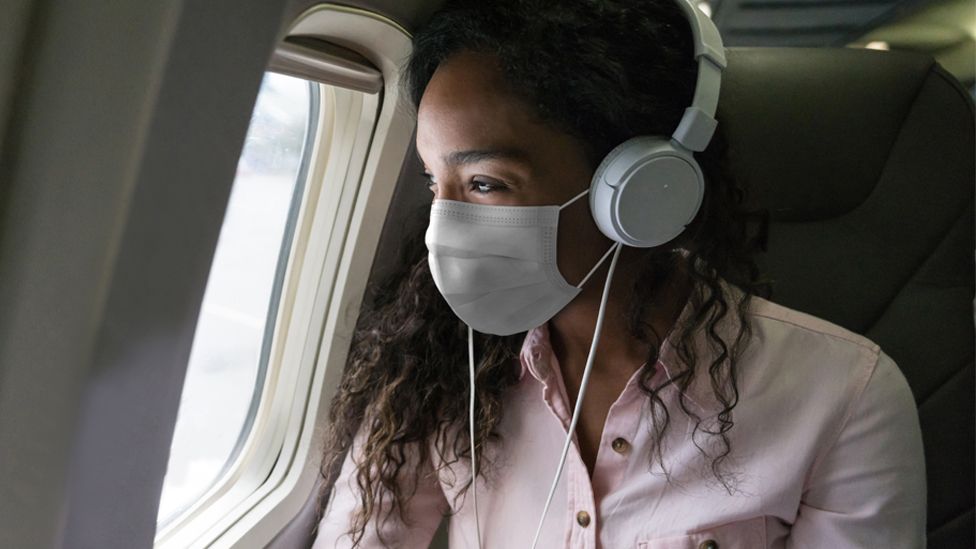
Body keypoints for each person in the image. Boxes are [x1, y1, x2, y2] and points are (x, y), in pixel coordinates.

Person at [312, 0, 926, 547]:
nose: (443, 228)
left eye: (485, 184)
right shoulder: (436, 365)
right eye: (434, 183)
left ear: (637, 191)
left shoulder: (844, 395)